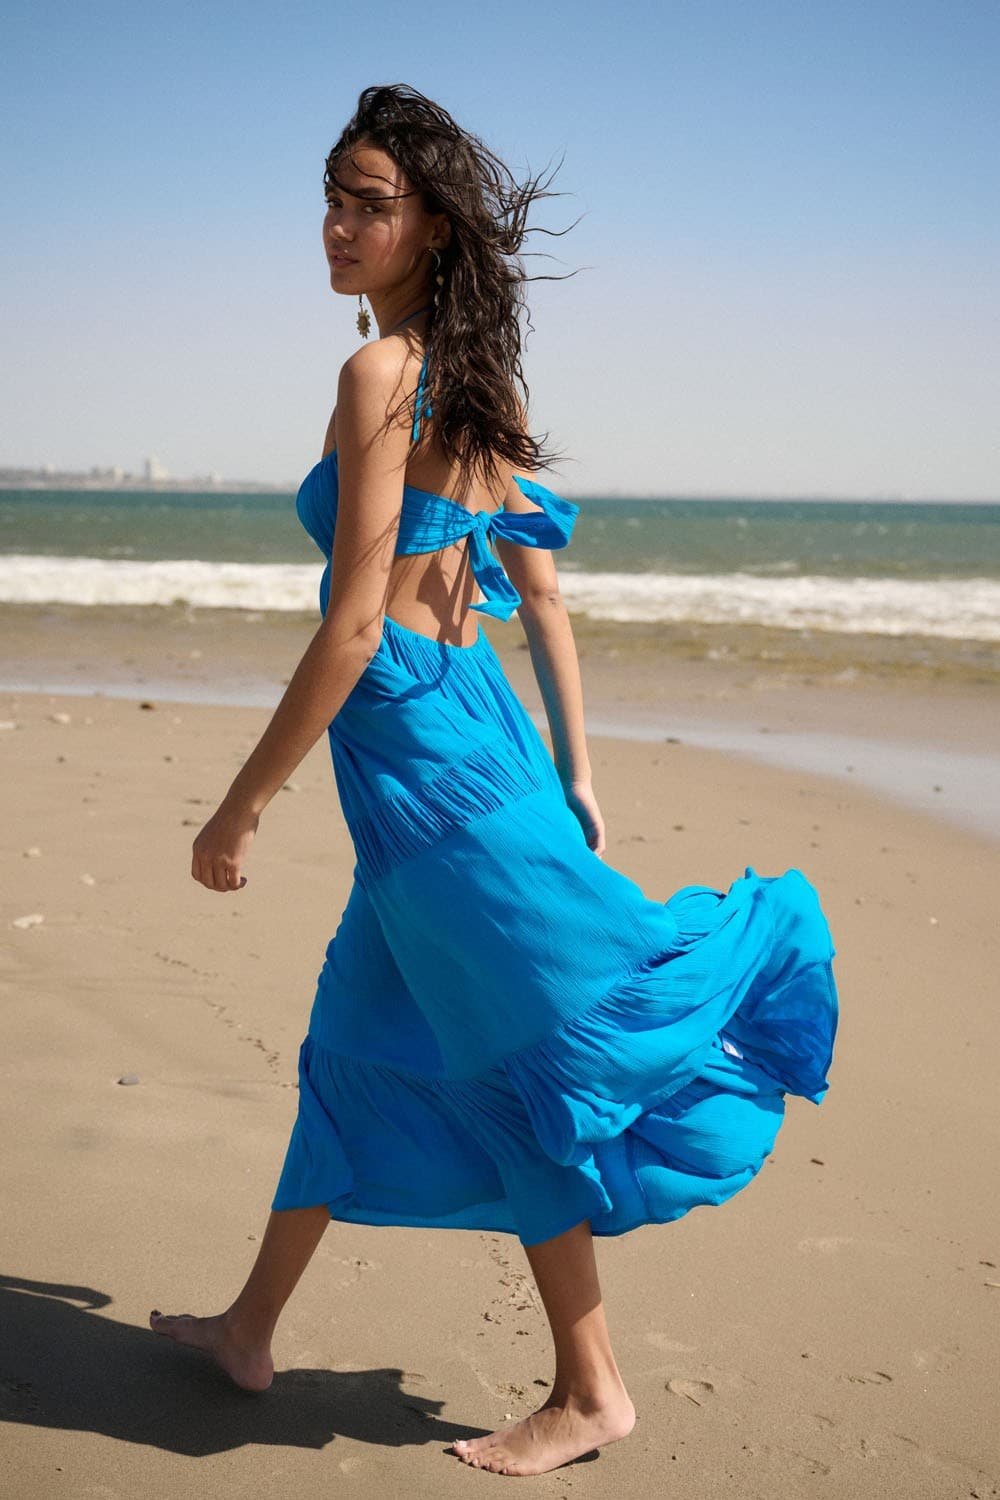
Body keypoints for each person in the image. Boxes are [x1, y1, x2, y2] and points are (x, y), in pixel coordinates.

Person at [149, 83, 839, 1478]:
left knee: (524, 1066)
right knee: (355, 1047)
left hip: (427, 772)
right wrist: (576, 772)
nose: (337, 224)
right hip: (471, 751)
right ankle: (248, 1329)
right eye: (330, 198)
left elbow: (353, 629)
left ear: (434, 227)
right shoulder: (478, 386)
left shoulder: (376, 379)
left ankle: (592, 1391)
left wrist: (241, 806)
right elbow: (544, 603)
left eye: (367, 201)